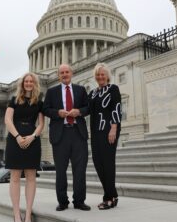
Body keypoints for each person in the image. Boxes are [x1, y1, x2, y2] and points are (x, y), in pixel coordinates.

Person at [43, 64, 90, 211]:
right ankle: (63, 202)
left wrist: (79, 112)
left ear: (72, 73)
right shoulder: (51, 92)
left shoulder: (80, 90)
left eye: (67, 72)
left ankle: (79, 201)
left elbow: (88, 107)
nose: (64, 74)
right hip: (60, 134)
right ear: (58, 75)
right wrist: (58, 113)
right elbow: (45, 109)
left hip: (78, 133)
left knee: (80, 170)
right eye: (62, 73)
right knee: (60, 171)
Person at [5, 72, 44, 222]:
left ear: (34, 84)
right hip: (15, 140)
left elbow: (41, 124)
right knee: (15, 177)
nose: (28, 83)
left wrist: (32, 137)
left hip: (32, 141)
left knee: (31, 177)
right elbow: (7, 119)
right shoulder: (14, 100)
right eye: (26, 81)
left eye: (31, 81)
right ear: (22, 84)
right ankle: (16, 213)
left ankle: (28, 213)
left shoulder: (39, 102)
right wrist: (18, 137)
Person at [88, 63, 122, 210]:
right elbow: (86, 109)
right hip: (95, 132)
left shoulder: (113, 89)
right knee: (97, 163)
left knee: (108, 163)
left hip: (109, 129)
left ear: (107, 76)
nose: (100, 77)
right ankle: (112, 194)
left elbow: (117, 108)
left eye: (102, 74)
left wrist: (114, 128)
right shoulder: (93, 93)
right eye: (98, 74)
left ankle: (109, 198)